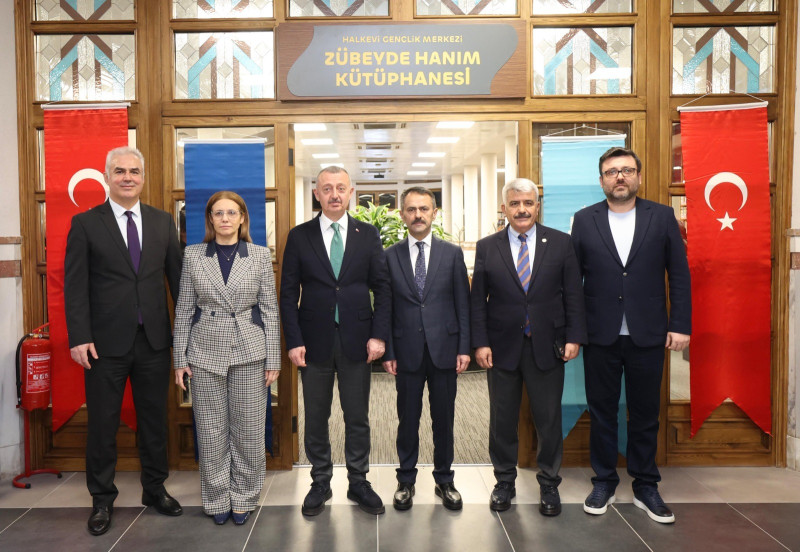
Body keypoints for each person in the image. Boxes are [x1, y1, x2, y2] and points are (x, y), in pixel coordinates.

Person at [64, 146, 183, 536]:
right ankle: (102, 499)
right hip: (103, 345)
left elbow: (178, 283)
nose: (127, 177)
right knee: (102, 424)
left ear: (143, 177)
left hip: (154, 341)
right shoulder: (86, 224)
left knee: (154, 421)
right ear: (107, 177)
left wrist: (184, 338)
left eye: (134, 171)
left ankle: (155, 489)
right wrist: (79, 336)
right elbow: (74, 286)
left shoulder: (163, 222)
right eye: (120, 171)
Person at [571, 147, 691, 524]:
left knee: (645, 413)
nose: (619, 177)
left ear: (638, 176)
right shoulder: (584, 220)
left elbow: (680, 274)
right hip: (600, 334)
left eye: (626, 170)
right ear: (602, 180)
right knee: (602, 412)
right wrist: (574, 330)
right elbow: (573, 282)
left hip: (649, 333)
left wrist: (680, 324)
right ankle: (604, 481)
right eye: (611, 172)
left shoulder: (662, 216)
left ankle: (645, 485)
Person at [280, 166, 391, 516]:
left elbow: (382, 288)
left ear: (351, 192)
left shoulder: (367, 234)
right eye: (327, 189)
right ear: (317, 194)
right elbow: (288, 293)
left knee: (357, 416)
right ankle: (320, 481)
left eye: (341, 188)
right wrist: (294, 340)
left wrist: (378, 335)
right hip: (313, 342)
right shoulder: (300, 236)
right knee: (316, 416)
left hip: (358, 339)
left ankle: (359, 481)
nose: (334, 195)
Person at [470, 178, 586, 516]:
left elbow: (573, 294)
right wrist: (480, 342)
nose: (522, 209)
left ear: (537, 206)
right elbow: (478, 302)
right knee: (502, 420)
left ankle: (549, 483)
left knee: (548, 419)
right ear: (504, 208)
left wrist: (574, 337)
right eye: (515, 203)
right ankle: (504, 481)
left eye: (528, 203)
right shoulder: (487, 246)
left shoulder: (561, 243)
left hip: (548, 346)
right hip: (501, 348)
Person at [172, 191, 281, 526]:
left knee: (249, 430)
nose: (225, 219)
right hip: (204, 351)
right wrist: (179, 358)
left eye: (231, 213)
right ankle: (217, 497)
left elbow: (270, 310)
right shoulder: (193, 255)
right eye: (218, 213)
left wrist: (274, 358)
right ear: (210, 219)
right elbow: (183, 309)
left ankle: (244, 496)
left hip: (250, 351)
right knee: (211, 430)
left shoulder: (259, 255)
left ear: (242, 217)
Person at [382, 187, 470, 511]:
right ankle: (405, 480)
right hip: (406, 351)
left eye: (423, 209)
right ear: (402, 215)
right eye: (411, 209)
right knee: (407, 419)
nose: (417, 215)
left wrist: (464, 347)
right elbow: (385, 308)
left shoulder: (452, 254)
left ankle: (444, 479)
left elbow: (463, 304)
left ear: (434, 213)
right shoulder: (389, 256)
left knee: (443, 419)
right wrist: (389, 351)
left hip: (445, 349)